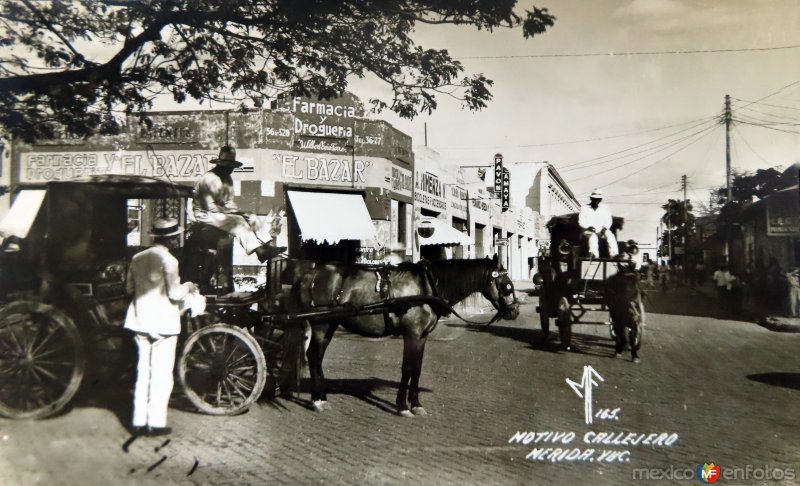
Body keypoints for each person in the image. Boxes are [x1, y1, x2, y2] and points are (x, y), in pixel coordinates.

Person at [125, 218, 198, 436]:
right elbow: (175, 293)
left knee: (142, 372)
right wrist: (189, 286)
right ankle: (155, 423)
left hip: (140, 320)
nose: (178, 240)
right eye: (176, 237)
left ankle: (138, 422)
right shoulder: (170, 260)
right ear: (171, 239)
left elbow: (129, 288)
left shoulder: (137, 258)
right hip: (164, 323)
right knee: (162, 375)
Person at [193, 146, 285, 262]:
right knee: (238, 221)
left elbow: (229, 202)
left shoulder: (228, 179)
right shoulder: (209, 179)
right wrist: (235, 214)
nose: (230, 169)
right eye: (228, 166)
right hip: (204, 214)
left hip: (220, 212)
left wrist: (239, 212)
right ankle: (259, 251)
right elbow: (210, 207)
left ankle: (267, 246)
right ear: (220, 164)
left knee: (252, 217)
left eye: (231, 166)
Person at [578, 189, 618, 259]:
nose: (596, 200)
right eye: (595, 199)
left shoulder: (605, 208)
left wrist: (604, 229)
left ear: (601, 199)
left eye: (598, 199)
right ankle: (594, 254)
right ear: (591, 198)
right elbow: (581, 221)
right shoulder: (584, 208)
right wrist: (588, 227)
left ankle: (614, 254)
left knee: (610, 235)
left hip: (601, 231)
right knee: (593, 236)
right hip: (588, 231)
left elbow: (609, 221)